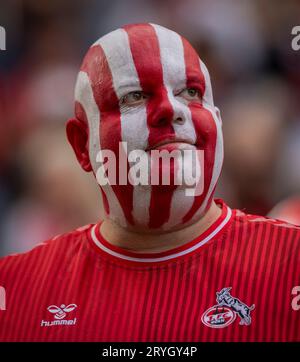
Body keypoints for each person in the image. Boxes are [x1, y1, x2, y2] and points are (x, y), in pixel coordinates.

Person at [0, 23, 299, 342]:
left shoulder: (292, 264)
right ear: (82, 144)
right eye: (135, 96)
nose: (171, 109)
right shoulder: (14, 290)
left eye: (191, 92)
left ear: (218, 120)